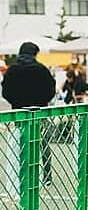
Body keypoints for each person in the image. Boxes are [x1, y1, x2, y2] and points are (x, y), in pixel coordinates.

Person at [1, 41, 56, 184]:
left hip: (19, 112)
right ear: (34, 54)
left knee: (21, 142)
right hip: (39, 111)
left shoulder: (12, 70)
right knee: (42, 143)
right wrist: (41, 100)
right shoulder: (41, 69)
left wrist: (17, 101)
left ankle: (22, 172)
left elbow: (5, 92)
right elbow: (51, 90)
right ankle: (46, 175)